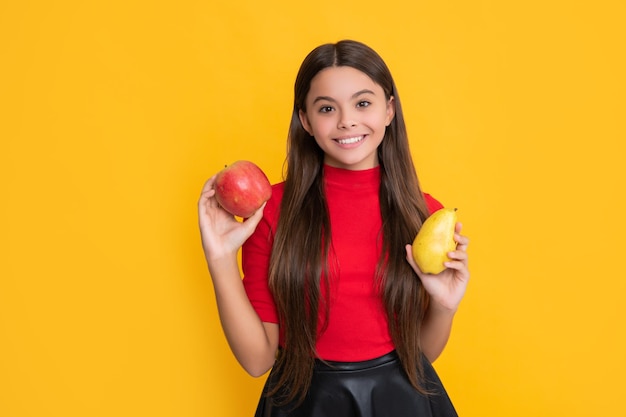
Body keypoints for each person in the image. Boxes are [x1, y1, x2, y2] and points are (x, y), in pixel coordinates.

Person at [198, 39, 470, 417]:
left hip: (401, 401)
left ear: (389, 110)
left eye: (363, 103)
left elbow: (421, 357)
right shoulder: (270, 211)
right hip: (306, 404)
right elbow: (257, 360)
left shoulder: (425, 214)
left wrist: (443, 307)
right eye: (327, 108)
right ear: (306, 121)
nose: (346, 120)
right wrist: (220, 258)